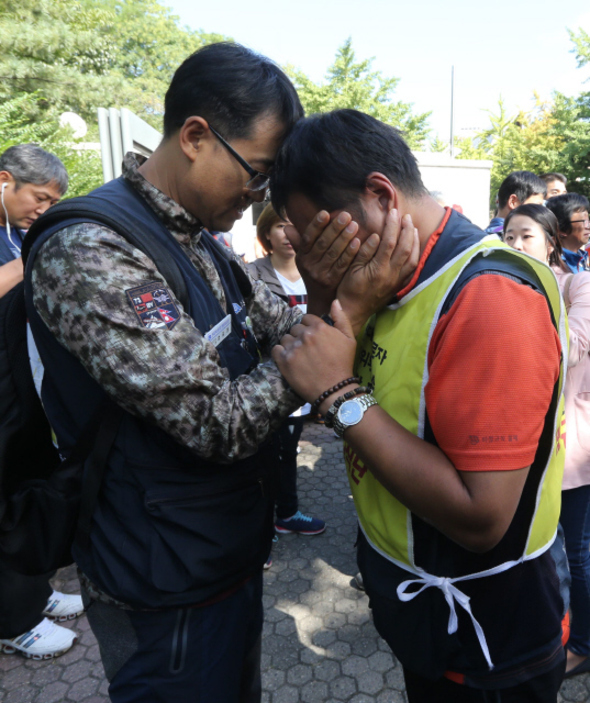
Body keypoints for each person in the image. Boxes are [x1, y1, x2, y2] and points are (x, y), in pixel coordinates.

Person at [24, 46, 417, 702]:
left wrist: (322, 299)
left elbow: (283, 333)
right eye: (258, 171)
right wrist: (346, 313)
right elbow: (218, 423)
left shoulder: (196, 237)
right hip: (159, 575)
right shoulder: (94, 250)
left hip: (212, 551)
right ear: (196, 137)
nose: (262, 196)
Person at [269, 109, 568, 702]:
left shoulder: (489, 298)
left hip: (489, 639)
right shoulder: (388, 278)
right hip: (423, 615)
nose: (312, 253)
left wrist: (338, 397)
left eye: (319, 234)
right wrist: (325, 290)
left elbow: (482, 518)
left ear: (379, 196)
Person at [0, 144, 84, 659]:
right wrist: (35, 258)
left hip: (19, 391)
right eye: (39, 197)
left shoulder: (13, 234)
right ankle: (15, 621)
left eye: (54, 203)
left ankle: (36, 591)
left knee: (28, 488)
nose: (44, 210)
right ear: (4, 180)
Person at [503, 204, 590, 679]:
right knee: (542, 549)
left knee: (575, 552)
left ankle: (583, 642)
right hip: (528, 448)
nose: (515, 246)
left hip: (573, 447)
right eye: (509, 237)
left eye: (526, 237)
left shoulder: (579, 286)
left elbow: (572, 347)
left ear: (552, 242)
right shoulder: (502, 287)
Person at [248, 203, 326, 541]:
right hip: (265, 381)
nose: (288, 233)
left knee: (287, 451)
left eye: (295, 225)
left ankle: (286, 513)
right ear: (267, 232)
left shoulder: (318, 273)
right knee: (262, 456)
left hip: (304, 383)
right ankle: (261, 529)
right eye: (280, 225)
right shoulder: (250, 274)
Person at [485, 170, 547, 235]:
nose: (540, 212)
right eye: (536, 206)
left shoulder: (484, 237)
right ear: (513, 202)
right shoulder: (505, 238)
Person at [545, 193, 590, 273]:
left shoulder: (582, 259)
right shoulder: (554, 267)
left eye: (588, 221)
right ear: (561, 229)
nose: (588, 226)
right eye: (584, 222)